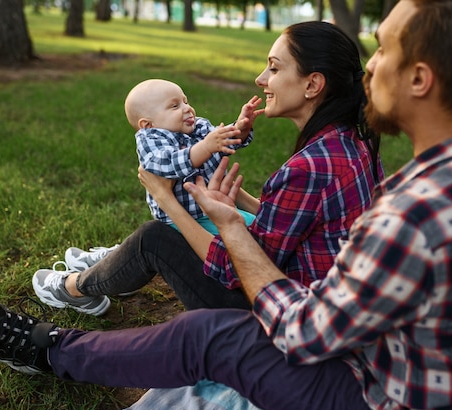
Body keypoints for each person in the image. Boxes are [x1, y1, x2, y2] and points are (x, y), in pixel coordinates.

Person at [0, 2, 452, 410]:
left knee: (207, 336)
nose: (370, 66)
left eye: (382, 51)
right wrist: (240, 215)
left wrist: (219, 221)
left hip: (397, 399)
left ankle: (44, 347)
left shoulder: (409, 213)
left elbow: (303, 333)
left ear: (421, 78)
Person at [32, 20, 383, 316]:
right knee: (174, 232)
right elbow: (295, 228)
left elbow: (234, 270)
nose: (261, 79)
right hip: (324, 295)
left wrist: (164, 199)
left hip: (283, 312)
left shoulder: (308, 168)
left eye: (274, 68)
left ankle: (74, 289)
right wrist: (233, 203)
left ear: (313, 84)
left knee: (154, 238)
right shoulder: (354, 142)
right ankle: (107, 264)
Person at [125, 78, 261, 234]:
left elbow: (221, 141)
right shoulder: (151, 138)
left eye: (186, 101)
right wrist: (205, 147)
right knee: (250, 230)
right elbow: (168, 163)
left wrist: (240, 128)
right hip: (185, 220)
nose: (187, 108)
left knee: (256, 223)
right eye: (175, 106)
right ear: (148, 125)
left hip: (215, 207)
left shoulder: (198, 126)